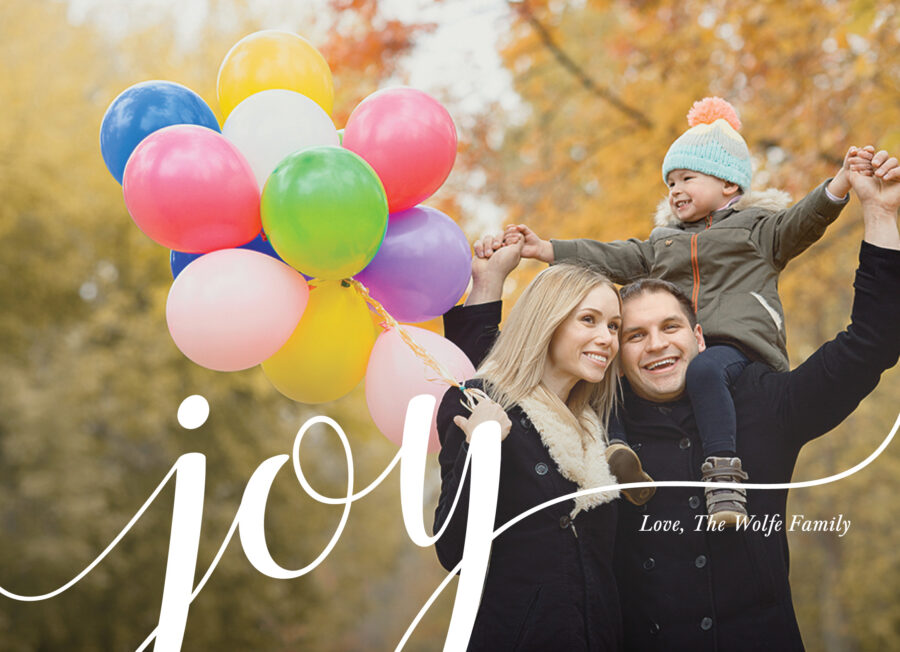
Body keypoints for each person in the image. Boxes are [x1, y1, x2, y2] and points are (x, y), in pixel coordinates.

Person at [445, 150, 900, 650]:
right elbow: (495, 387)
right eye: (633, 333)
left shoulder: (764, 404)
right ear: (617, 353)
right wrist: (487, 286)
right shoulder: (594, 431)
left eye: (670, 327)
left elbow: (870, 343)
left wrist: (879, 215)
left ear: (700, 338)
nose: (656, 344)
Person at [502, 97, 873, 524]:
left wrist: (840, 184)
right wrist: (547, 249)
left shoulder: (757, 232)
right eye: (671, 182)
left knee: (704, 371)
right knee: (612, 372)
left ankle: (723, 473)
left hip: (737, 347)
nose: (675, 190)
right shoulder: (665, 242)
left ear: (728, 185)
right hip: (685, 346)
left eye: (687, 179)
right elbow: (613, 257)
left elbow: (803, 221)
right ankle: (618, 453)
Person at [433, 257, 630, 651]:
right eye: (589, 320)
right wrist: (481, 450)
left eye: (614, 326)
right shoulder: (478, 400)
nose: (608, 338)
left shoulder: (602, 429)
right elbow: (454, 553)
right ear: (547, 321)